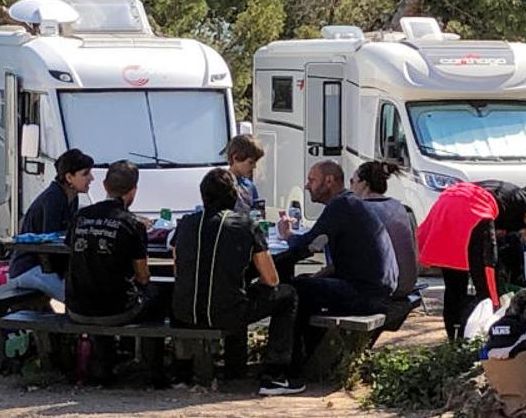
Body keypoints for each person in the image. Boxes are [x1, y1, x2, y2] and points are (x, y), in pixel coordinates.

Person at [172, 168, 305, 396]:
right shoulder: (245, 226)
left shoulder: (185, 224)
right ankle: (274, 374)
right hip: (227, 313)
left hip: (185, 312)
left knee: (226, 292)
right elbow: (271, 279)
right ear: (234, 196)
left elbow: (178, 269)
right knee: (287, 295)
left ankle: (183, 371)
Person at [274, 160, 398, 371]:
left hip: (366, 294)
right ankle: (304, 357)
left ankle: (284, 368)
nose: (306, 186)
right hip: (379, 288)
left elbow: (310, 245)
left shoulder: (340, 206)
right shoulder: (350, 203)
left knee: (290, 291)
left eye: (312, 180)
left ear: (329, 181)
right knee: (304, 284)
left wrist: (287, 236)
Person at [64, 160, 167, 385]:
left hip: (75, 307)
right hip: (114, 312)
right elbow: (143, 276)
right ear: (134, 191)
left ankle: (103, 362)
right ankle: (151, 367)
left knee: (103, 288)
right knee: (157, 296)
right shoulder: (132, 225)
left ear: (104, 184)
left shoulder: (81, 217)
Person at [416, 180, 526, 341]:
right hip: (474, 208)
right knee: (487, 290)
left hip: (448, 200)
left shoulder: (508, 197)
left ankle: (454, 338)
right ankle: (490, 339)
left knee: (454, 284)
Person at [6, 148, 94, 301]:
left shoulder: (72, 197)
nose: (91, 178)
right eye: (85, 174)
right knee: (79, 301)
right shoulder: (54, 198)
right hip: (29, 268)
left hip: (45, 268)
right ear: (69, 177)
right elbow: (51, 244)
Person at [350, 161, 419, 298]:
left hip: (383, 287)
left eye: (352, 181)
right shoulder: (400, 207)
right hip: (407, 284)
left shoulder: (361, 209)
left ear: (364, 183)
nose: (350, 187)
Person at [226, 135, 265, 215]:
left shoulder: (250, 186)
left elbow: (257, 217)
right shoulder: (220, 184)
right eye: (250, 162)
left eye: (255, 162)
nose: (254, 166)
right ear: (235, 158)